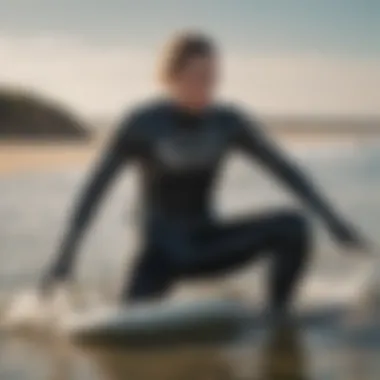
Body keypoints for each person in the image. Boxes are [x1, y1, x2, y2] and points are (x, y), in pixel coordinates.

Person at [41, 31, 366, 322]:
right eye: (197, 76)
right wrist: (66, 254)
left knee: (293, 227)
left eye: (212, 77)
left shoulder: (228, 122)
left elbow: (285, 170)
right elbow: (95, 190)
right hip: (160, 255)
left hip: (208, 244)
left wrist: (332, 219)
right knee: (128, 334)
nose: (206, 86)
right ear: (170, 76)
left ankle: (276, 320)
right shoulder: (142, 124)